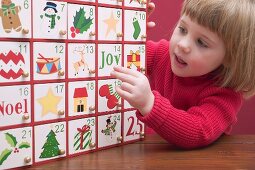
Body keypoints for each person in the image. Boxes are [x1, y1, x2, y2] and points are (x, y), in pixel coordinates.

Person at [110, 0, 255, 149]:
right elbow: (120, 56)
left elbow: (198, 131)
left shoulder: (225, 95)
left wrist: (149, 103)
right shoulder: (163, 54)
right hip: (150, 153)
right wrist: (130, 34)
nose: (183, 45)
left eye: (201, 42)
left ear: (231, 58)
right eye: (183, 29)